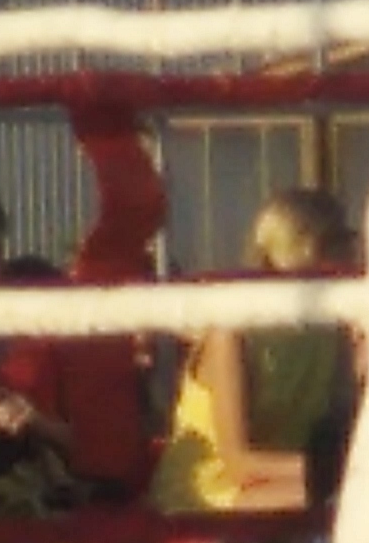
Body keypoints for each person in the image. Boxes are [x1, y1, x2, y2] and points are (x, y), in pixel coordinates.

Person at [152, 188, 356, 516]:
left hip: (286, 483)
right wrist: (335, 471)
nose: (351, 253)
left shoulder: (327, 330)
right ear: (301, 250)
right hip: (208, 495)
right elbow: (238, 463)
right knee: (348, 499)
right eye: (337, 242)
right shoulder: (232, 333)